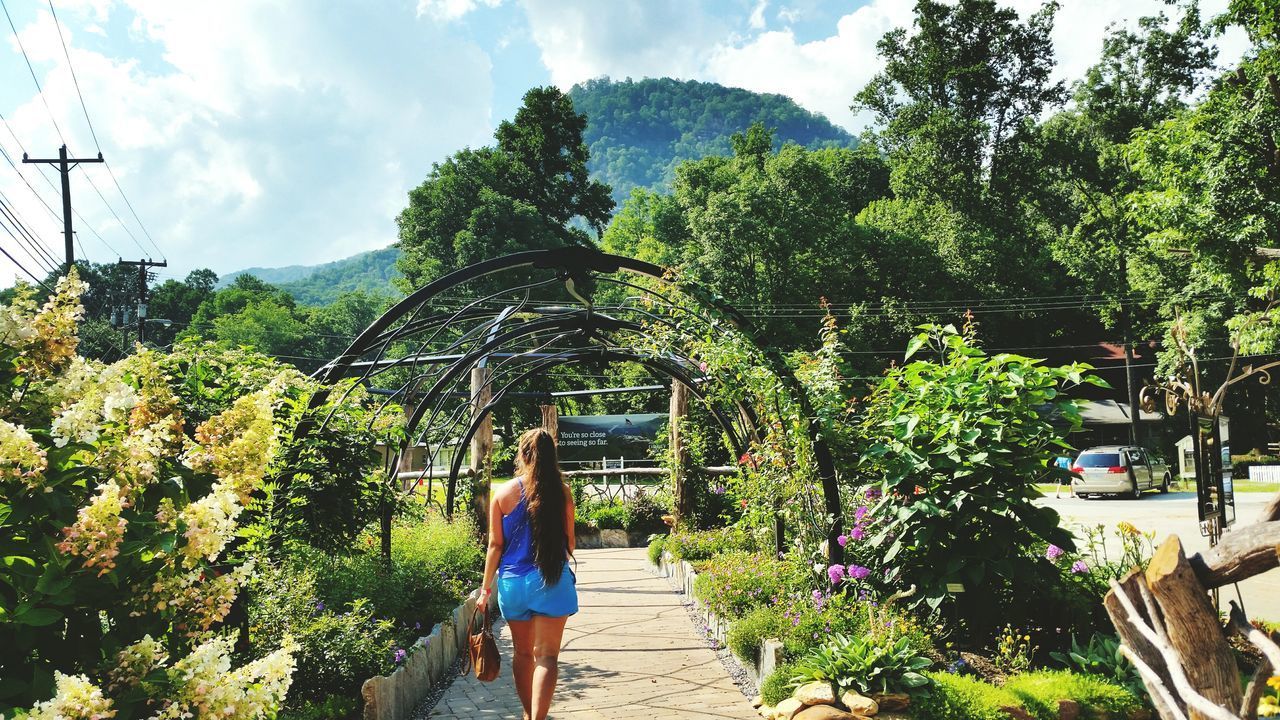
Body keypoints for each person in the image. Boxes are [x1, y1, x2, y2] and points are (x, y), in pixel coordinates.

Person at [479, 428, 578, 720]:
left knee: (523, 655)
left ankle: (527, 713)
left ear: (522, 455)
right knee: (546, 657)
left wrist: (485, 590)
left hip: (512, 585)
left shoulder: (503, 493)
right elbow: (570, 542)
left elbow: (495, 545)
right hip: (550, 581)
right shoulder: (562, 492)